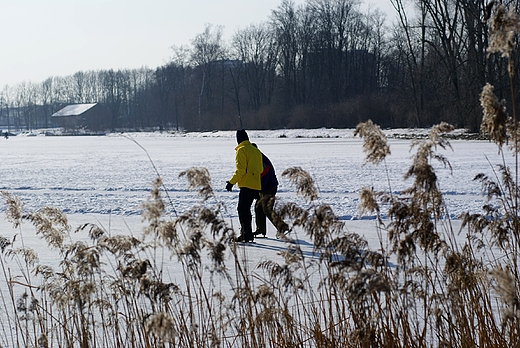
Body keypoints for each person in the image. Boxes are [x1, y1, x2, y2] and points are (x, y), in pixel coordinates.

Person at [226, 129, 263, 243]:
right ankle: (248, 233)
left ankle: (245, 234)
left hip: (246, 184)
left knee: (242, 209)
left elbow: (241, 170)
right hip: (256, 185)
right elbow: (260, 169)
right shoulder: (256, 151)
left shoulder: (241, 150)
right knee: (246, 209)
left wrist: (231, 182)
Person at [251, 143, 289, 238]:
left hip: (269, 187)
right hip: (265, 187)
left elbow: (264, 176)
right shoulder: (257, 157)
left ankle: (282, 227)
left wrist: (259, 189)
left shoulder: (260, 159)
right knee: (258, 207)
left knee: (267, 208)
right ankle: (261, 229)